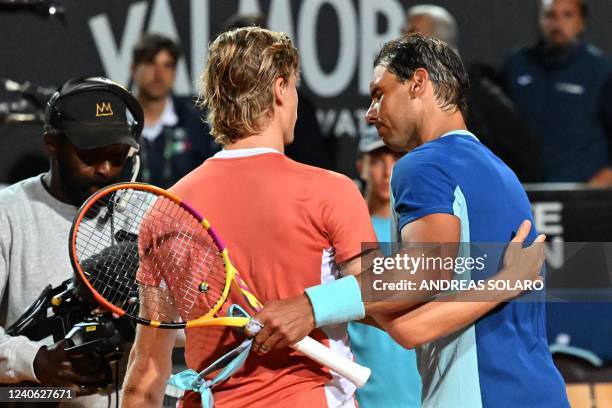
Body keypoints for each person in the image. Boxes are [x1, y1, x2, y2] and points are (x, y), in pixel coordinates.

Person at [252, 33, 569, 407]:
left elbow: (416, 298)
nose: (371, 113)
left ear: (418, 83)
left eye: (378, 94)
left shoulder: (424, 164)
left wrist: (312, 304)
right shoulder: (502, 173)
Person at [0, 77, 143, 406]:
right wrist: (35, 361)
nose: (106, 169)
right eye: (91, 156)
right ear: (52, 143)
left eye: (118, 155)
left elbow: (185, 326)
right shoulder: (8, 214)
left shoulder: (145, 211)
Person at [404, 4, 542, 183]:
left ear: (437, 42)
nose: (402, 40)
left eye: (411, 32)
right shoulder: (406, 96)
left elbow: (526, 152)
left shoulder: (479, 95)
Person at [502, 0, 612, 185]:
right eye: (550, 15)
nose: (557, 23)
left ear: (582, 22)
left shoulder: (601, 70)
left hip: (583, 194)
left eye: (567, 15)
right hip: (525, 191)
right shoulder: (516, 65)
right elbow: (498, 130)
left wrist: (597, 186)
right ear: (539, 20)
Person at [349, 127, 421, 407]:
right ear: (361, 166)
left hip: (422, 394)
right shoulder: (343, 234)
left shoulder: (425, 234)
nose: (388, 170)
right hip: (360, 397)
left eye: (396, 158)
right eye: (378, 159)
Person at [131, 33, 217, 188]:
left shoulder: (196, 120)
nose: (159, 74)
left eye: (167, 65)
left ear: (175, 72)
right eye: (151, 63)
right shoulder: (118, 122)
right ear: (134, 69)